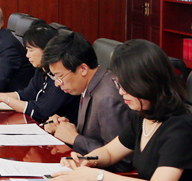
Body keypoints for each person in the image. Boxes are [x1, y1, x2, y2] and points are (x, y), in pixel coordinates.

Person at [51, 39, 192, 181]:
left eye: (126, 86)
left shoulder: (179, 128)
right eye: (118, 84)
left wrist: (97, 176)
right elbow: (110, 152)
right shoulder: (144, 116)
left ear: (146, 82)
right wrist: (86, 161)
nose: (121, 92)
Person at [41, 31, 132, 172]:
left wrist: (75, 138)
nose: (57, 84)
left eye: (60, 76)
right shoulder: (92, 83)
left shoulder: (108, 98)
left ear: (83, 69)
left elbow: (122, 162)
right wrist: (63, 126)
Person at [0, 23, 79, 123]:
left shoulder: (60, 79)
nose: (27, 55)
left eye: (31, 50)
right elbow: (26, 94)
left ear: (46, 49)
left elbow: (39, 111)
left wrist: (4, 99)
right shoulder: (41, 70)